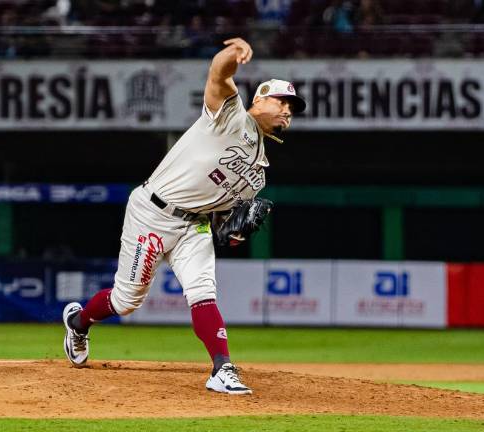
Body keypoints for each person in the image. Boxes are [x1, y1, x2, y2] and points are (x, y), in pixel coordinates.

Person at [61, 37, 306, 395]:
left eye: (292, 107)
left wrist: (235, 234)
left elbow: (225, 223)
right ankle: (79, 322)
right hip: (153, 213)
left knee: (203, 293)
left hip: (195, 225)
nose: (288, 110)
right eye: (282, 101)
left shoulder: (259, 174)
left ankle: (222, 369)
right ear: (261, 100)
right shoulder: (230, 115)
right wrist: (232, 55)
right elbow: (218, 74)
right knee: (127, 302)